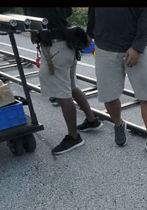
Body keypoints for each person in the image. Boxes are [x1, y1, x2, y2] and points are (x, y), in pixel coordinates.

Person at [21, 8, 102, 155]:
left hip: (55, 47)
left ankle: (74, 137)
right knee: (71, 86)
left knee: (63, 94)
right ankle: (92, 120)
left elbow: (31, 17)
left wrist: (36, 30)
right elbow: (68, 12)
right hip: (67, 44)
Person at [86, 7, 147, 160]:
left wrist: (138, 47)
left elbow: (145, 14)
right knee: (108, 95)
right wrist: (89, 33)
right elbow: (92, 12)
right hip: (105, 47)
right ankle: (119, 124)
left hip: (135, 47)